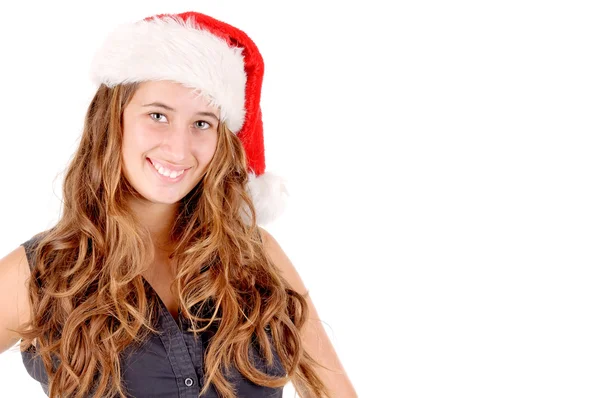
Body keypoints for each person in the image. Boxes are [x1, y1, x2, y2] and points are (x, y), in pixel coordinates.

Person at [0, 11, 357, 398]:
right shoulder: (42, 273)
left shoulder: (258, 258)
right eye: (158, 115)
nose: (179, 148)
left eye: (202, 123)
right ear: (112, 120)